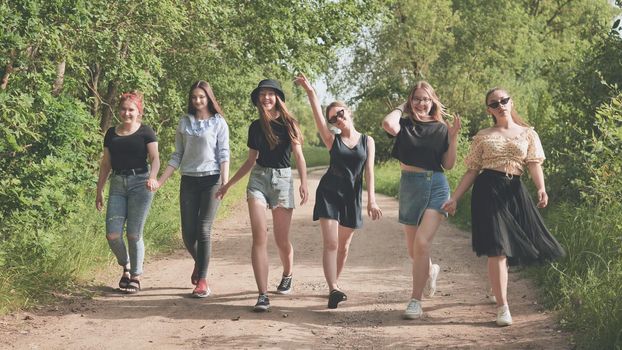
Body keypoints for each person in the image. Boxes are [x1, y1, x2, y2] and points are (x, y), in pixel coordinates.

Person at [441, 88, 565, 326]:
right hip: (487, 190)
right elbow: (472, 170)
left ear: (511, 102)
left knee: (510, 246)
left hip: (515, 191)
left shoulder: (528, 134)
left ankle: (496, 287)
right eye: (494, 103)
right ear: (489, 109)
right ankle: (503, 307)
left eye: (504, 101)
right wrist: (455, 197)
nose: (500, 105)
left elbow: (534, 164)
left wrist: (541, 187)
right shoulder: (483, 136)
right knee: (497, 247)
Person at [216, 79, 308, 312]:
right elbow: (250, 161)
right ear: (258, 99)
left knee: (281, 240)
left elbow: (298, 156)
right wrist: (228, 185)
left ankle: (288, 273)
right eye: (262, 94)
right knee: (259, 237)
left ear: (277, 97)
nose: (266, 98)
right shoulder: (255, 127)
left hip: (283, 180)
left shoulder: (289, 123)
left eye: (270, 94)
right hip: (258, 180)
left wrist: (304, 183)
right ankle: (263, 295)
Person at [295, 74, 382, 309]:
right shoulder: (332, 139)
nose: (338, 118)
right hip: (329, 193)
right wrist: (310, 91)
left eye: (340, 113)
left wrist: (371, 201)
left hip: (352, 197)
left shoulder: (368, 141)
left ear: (348, 111)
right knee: (332, 244)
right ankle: (333, 289)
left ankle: (335, 283)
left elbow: (369, 172)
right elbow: (316, 114)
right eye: (333, 117)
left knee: (344, 247)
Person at [382, 81, 460, 319]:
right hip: (409, 186)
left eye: (426, 99)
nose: (421, 103)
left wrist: (454, 136)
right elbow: (388, 123)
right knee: (413, 250)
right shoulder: (404, 125)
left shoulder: (441, 127)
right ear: (410, 101)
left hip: (436, 185)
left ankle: (415, 301)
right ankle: (430, 270)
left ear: (432, 101)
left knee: (422, 244)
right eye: (416, 98)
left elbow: (447, 164)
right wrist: (401, 106)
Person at [156, 81, 230, 298]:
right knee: (188, 234)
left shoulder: (218, 123)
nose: (198, 101)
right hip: (188, 181)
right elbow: (177, 155)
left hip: (212, 180)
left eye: (202, 97)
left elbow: (224, 154)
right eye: (194, 97)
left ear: (208, 98)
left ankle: (203, 281)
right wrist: (161, 181)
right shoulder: (184, 123)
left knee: (204, 229)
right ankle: (200, 262)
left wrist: (225, 182)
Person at [96, 91, 160, 294]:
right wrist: (99, 191)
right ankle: (127, 264)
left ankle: (136, 276)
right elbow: (106, 164)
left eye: (131, 109)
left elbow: (155, 158)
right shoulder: (111, 134)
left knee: (133, 234)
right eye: (123, 109)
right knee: (112, 234)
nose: (127, 113)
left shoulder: (146, 132)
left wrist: (153, 177)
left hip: (140, 183)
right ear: (119, 111)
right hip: (117, 184)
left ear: (138, 111)